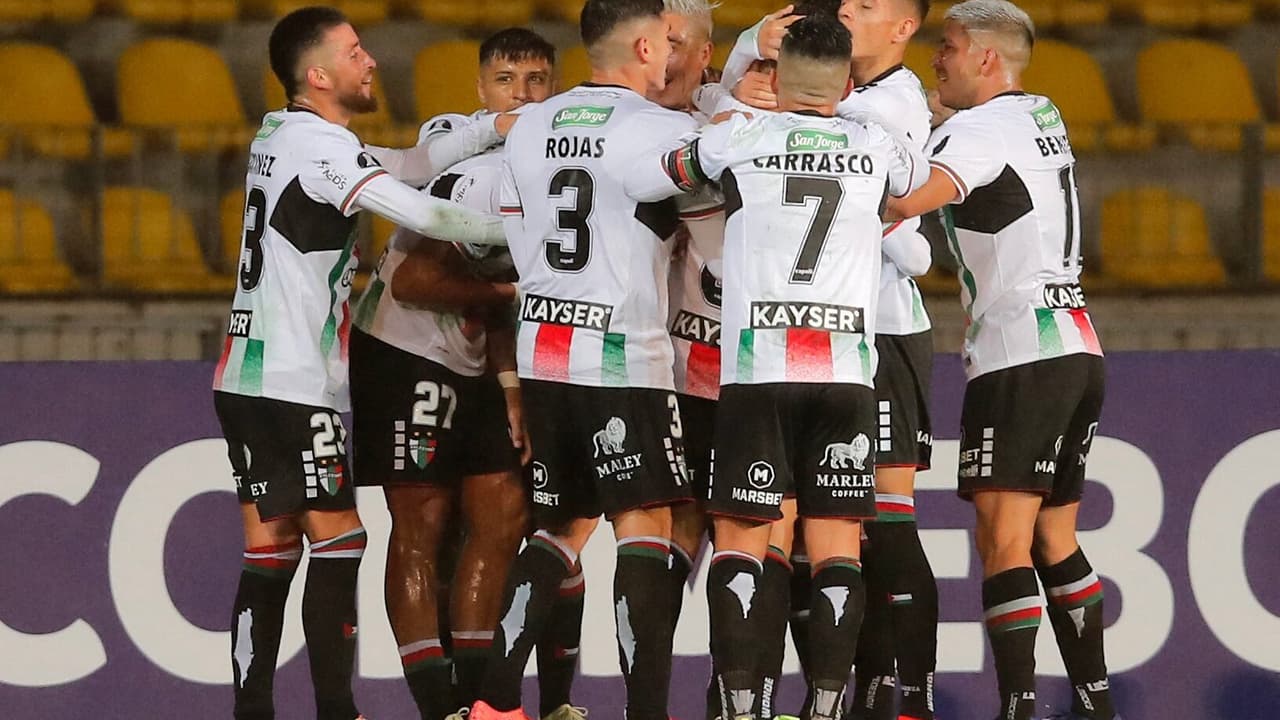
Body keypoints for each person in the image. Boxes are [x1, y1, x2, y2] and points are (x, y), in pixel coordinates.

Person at [627, 13, 928, 720]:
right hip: (847, 373)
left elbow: (659, 172)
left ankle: (736, 706)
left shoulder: (741, 136)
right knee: (836, 549)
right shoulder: (877, 141)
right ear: (848, 81)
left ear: (781, 77)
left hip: (759, 372)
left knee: (739, 542)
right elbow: (915, 202)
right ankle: (825, 705)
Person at [213, 7, 507, 720]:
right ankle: (336, 710)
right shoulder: (319, 148)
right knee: (342, 539)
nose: (370, 60)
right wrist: (527, 234)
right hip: (291, 380)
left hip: (246, 374)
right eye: (353, 53)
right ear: (318, 75)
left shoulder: (285, 135)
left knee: (273, 549)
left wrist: (496, 128)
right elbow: (428, 214)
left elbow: (403, 164)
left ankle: (253, 711)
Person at [452, 2, 696, 719]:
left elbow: (480, 227)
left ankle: (494, 703)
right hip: (622, 357)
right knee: (645, 527)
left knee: (561, 528)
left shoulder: (529, 129)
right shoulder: (662, 131)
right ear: (647, 45)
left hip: (544, 355)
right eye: (671, 44)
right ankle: (646, 710)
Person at [885, 2, 1114, 719]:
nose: (936, 58)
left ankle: (1018, 704)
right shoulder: (1038, 111)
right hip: (1075, 341)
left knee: (1003, 538)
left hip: (1019, 352)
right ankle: (1094, 703)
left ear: (986, 58)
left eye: (948, 47)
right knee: (1056, 537)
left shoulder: (980, 131)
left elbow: (913, 198)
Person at [348, 28, 579, 720]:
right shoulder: (465, 154)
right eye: (507, 80)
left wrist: (511, 387)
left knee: (503, 515)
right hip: (404, 348)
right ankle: (435, 702)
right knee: (421, 524)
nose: (523, 94)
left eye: (538, 80)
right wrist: (511, 298)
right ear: (483, 90)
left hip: (478, 356)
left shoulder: (551, 168)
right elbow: (416, 278)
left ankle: (478, 697)